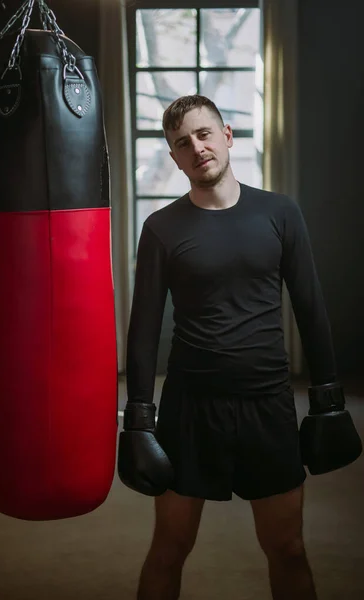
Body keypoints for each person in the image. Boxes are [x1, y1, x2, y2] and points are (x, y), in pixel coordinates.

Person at [117, 95, 362, 600]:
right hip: (190, 406)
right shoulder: (161, 228)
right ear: (175, 158)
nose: (197, 147)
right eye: (183, 143)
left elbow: (310, 309)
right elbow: (142, 329)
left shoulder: (280, 213)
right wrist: (138, 419)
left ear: (227, 135)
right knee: (169, 546)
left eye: (205, 134)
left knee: (289, 548)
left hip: (266, 403)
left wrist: (328, 398)